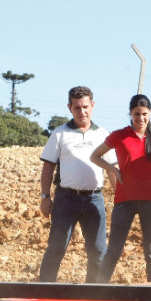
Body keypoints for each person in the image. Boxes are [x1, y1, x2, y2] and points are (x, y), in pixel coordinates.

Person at [91, 94, 151, 283]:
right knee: (113, 250)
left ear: (150, 113)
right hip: (124, 200)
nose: (141, 118)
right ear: (130, 113)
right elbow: (95, 156)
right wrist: (112, 168)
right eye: (137, 114)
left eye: (144, 114)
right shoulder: (119, 136)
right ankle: (98, 293)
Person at [38, 86, 114, 283]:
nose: (82, 112)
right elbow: (48, 168)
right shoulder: (59, 134)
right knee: (56, 246)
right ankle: (44, 294)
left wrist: (121, 199)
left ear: (93, 106)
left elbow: (112, 170)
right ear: (70, 108)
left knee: (98, 250)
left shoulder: (103, 135)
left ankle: (93, 297)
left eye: (86, 107)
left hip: (94, 199)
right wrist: (45, 197)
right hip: (66, 199)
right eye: (77, 108)